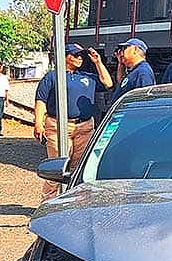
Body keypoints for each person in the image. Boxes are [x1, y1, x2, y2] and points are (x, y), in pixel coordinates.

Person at [34, 43, 114, 201]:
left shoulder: (86, 77)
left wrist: (98, 62)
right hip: (58, 126)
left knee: (78, 168)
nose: (79, 58)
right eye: (75, 55)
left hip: (84, 127)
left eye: (81, 56)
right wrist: (38, 123)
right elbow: (41, 100)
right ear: (65, 57)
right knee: (57, 167)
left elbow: (108, 83)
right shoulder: (52, 76)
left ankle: (74, 201)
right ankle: (47, 202)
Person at [113, 38, 155, 102]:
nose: (121, 53)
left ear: (135, 49)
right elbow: (121, 82)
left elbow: (144, 100)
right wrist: (121, 63)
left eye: (124, 48)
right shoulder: (134, 70)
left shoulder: (143, 72)